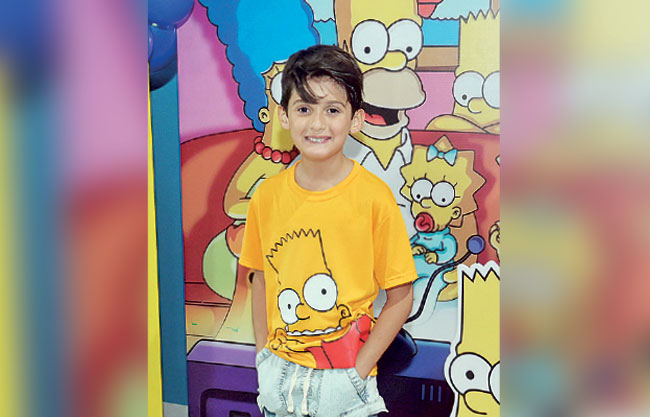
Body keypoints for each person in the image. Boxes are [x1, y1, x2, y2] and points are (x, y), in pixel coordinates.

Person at [239, 44, 417, 417]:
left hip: (346, 381)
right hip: (280, 378)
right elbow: (261, 279)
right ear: (284, 115)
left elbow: (401, 297)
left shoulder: (374, 197)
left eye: (332, 110)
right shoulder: (267, 197)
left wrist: (357, 372)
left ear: (356, 119)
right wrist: (263, 356)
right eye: (304, 108)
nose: (317, 124)